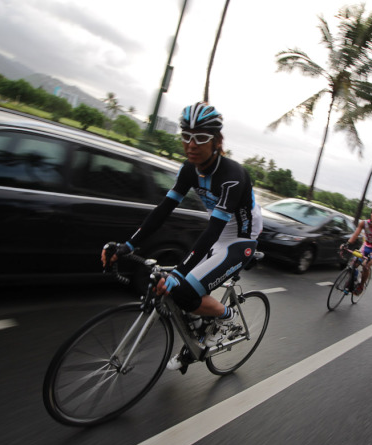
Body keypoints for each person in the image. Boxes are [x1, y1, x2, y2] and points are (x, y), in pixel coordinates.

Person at [101, 102, 263, 373]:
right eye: (186, 136)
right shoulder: (188, 169)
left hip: (240, 238)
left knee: (184, 287)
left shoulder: (232, 176)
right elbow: (163, 210)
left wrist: (180, 271)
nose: (191, 144)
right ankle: (197, 336)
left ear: (217, 141)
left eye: (200, 137)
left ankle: (227, 316)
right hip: (218, 231)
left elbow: (213, 231)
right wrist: (127, 245)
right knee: (181, 291)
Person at [341, 205, 372, 294]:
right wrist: (347, 244)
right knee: (353, 263)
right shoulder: (363, 223)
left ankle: (361, 285)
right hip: (366, 245)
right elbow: (355, 235)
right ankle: (353, 278)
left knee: (365, 265)